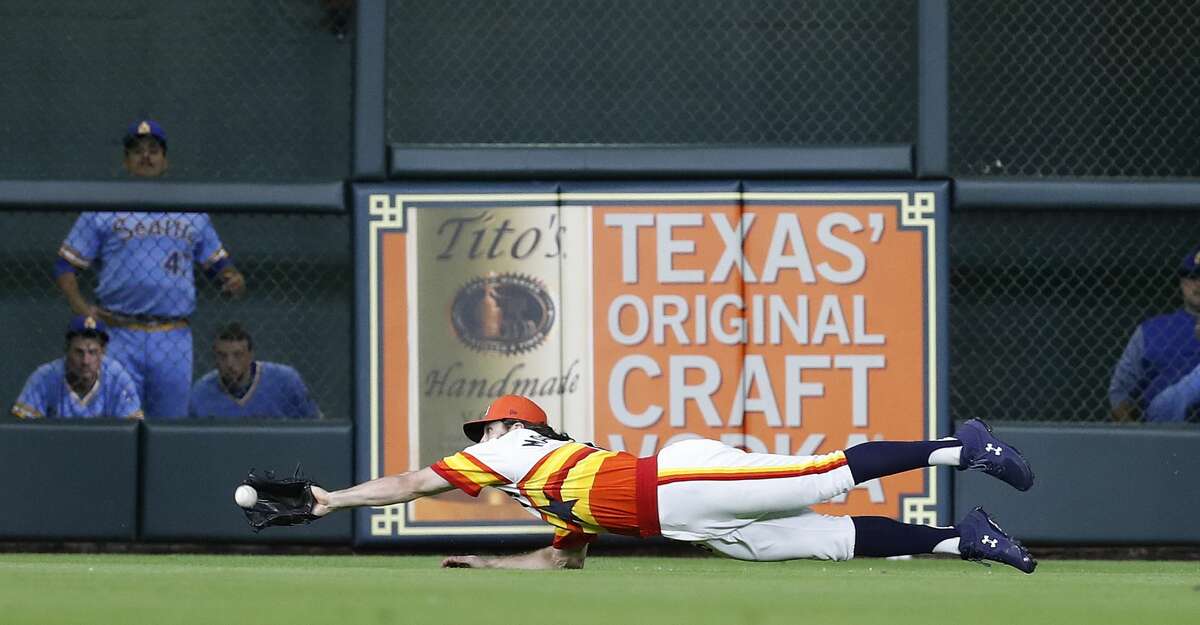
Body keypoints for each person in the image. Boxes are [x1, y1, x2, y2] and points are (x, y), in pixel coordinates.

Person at [303, 395, 1037, 573]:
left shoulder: (514, 449)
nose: (479, 438)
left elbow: (409, 481)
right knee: (826, 539)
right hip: (687, 518)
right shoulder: (546, 484)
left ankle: (960, 446)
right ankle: (959, 538)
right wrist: (491, 564)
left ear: (510, 426)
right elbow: (564, 559)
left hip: (679, 485)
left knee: (823, 477)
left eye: (485, 427)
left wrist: (331, 499)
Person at [54, 119, 247, 419]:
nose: (146, 156)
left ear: (165, 160)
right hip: (118, 334)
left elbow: (219, 266)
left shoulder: (191, 209)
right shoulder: (104, 206)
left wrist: (232, 278)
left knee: (170, 426)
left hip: (173, 336)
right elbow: (65, 265)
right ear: (126, 161)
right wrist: (82, 309)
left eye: (153, 150)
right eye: (137, 151)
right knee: (117, 424)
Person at [1109, 245, 1200, 422]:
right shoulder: (1151, 330)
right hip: (1164, 427)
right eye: (1192, 276)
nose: (1198, 284)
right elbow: (1119, 391)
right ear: (1182, 282)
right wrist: (1138, 437)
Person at [11, 315, 143, 420]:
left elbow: (133, 427)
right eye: (79, 352)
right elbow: (23, 428)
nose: (86, 361)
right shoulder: (45, 376)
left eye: (92, 352)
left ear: (102, 353)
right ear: (67, 350)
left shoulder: (117, 376)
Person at [188, 322, 321, 419]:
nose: (229, 363)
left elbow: (316, 422)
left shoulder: (285, 380)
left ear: (250, 355)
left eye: (237, 355)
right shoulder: (200, 393)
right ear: (214, 358)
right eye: (222, 356)